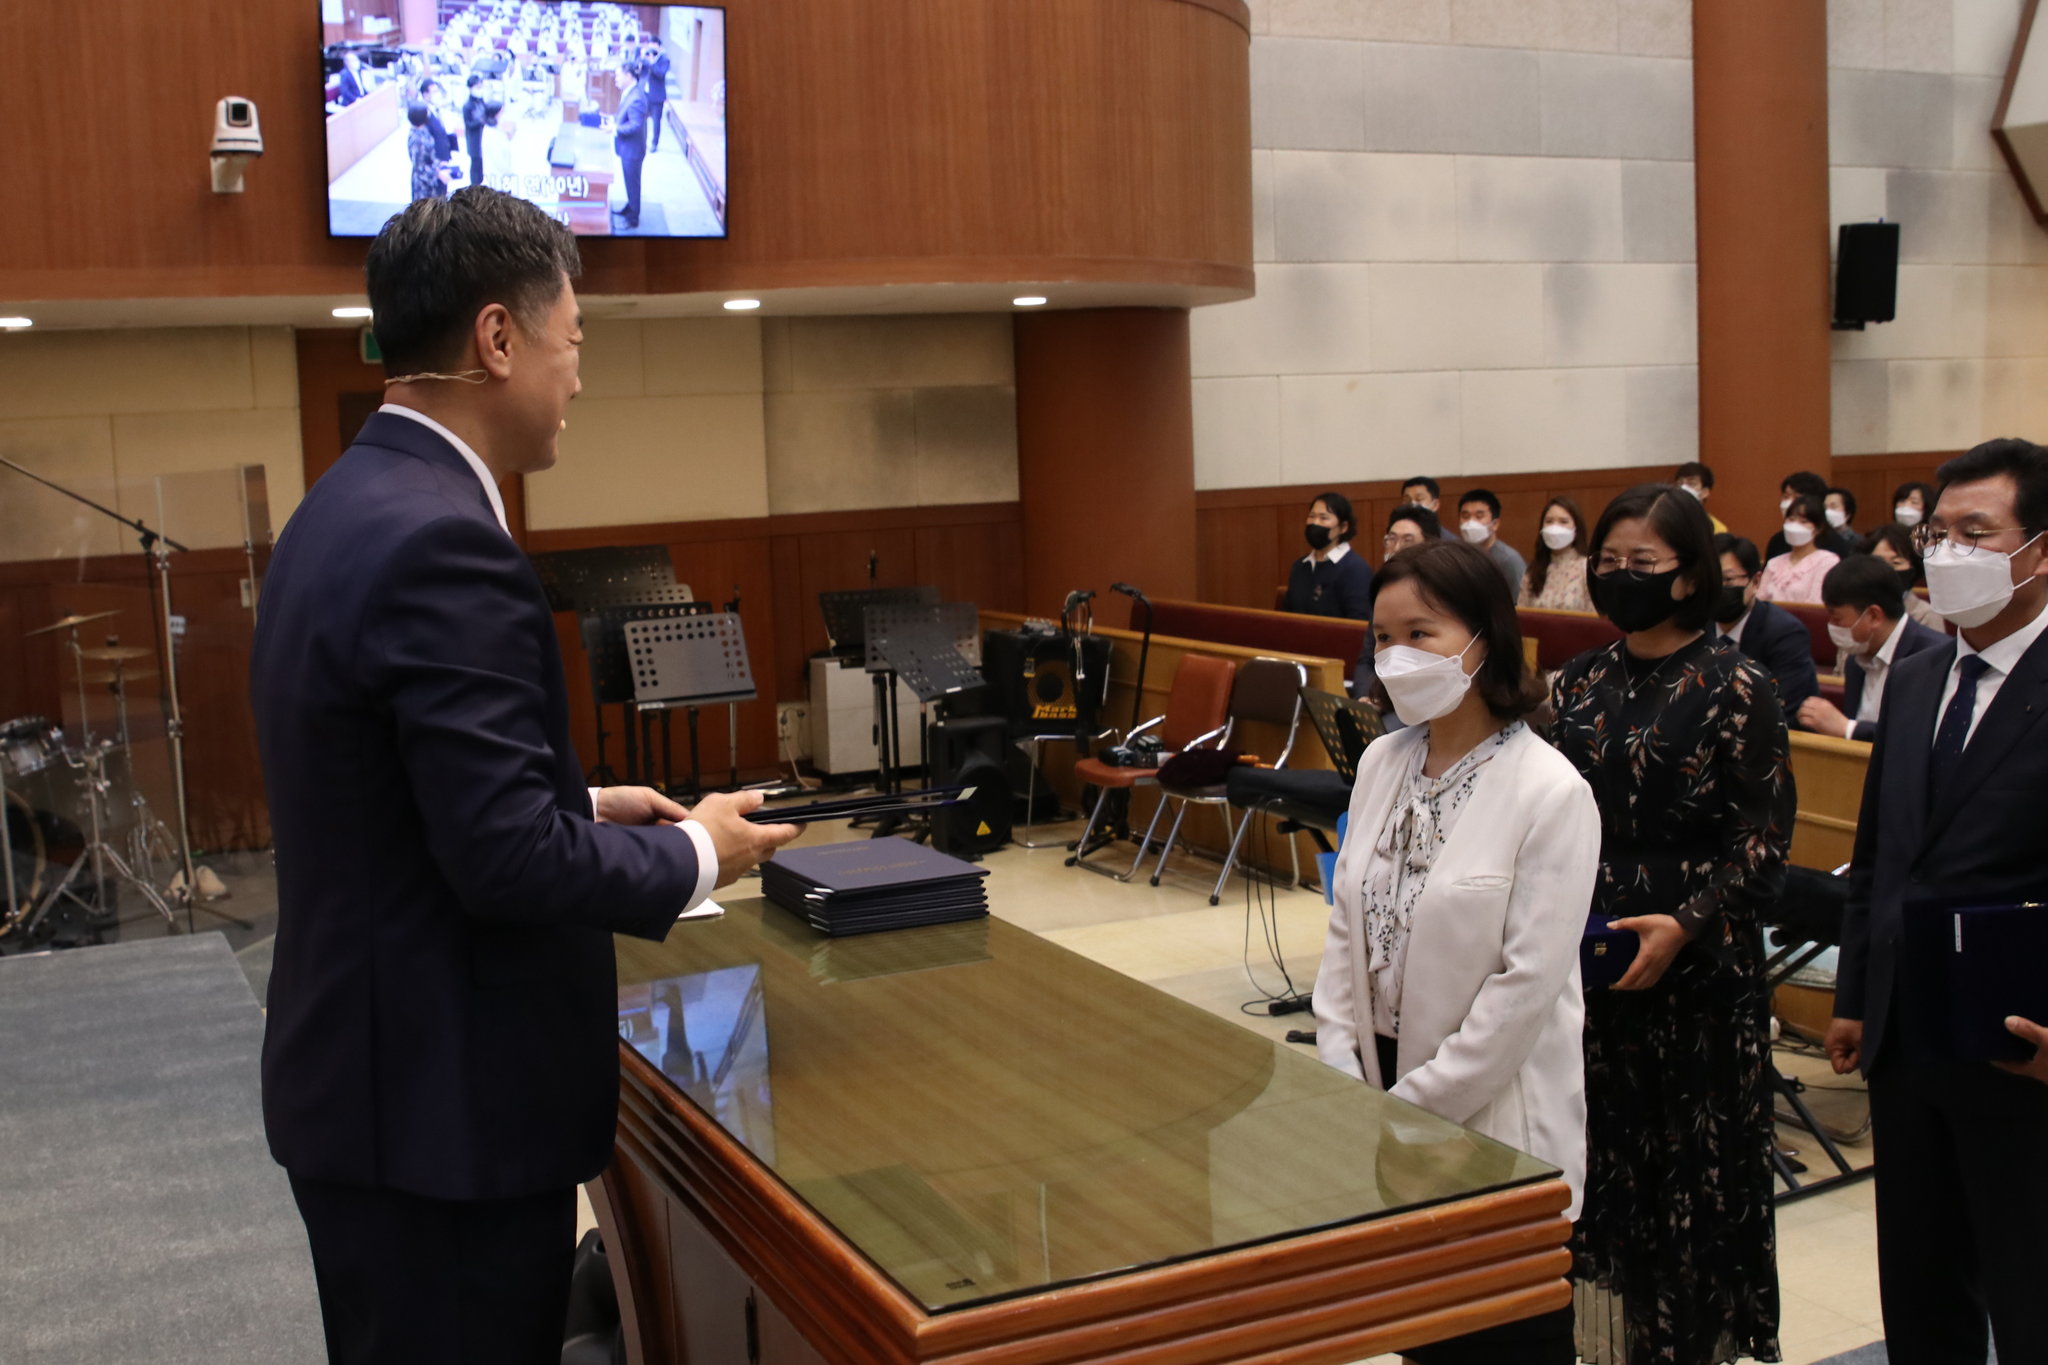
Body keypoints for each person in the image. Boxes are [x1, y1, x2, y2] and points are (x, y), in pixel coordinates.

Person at [249, 188, 802, 1362]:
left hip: (365, 1088)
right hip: (440, 1120)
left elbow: (388, 789)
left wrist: (581, 802)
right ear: (498, 338)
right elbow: (502, 861)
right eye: (573, 341)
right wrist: (700, 849)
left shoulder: (338, 506)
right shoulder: (443, 539)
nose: (578, 378)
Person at [1316, 538, 1597, 1365]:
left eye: (1421, 634)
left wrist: (1416, 1106)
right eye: (1382, 637)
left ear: (1483, 640)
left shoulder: (1550, 789)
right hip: (1382, 1098)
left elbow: (1525, 987)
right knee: (1423, 1337)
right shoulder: (1382, 760)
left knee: (1502, 1342)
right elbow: (1345, 926)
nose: (1396, 656)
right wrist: (1344, 1075)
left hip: (1495, 1119)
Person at [1552, 484, 1792, 1365]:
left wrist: (1685, 924)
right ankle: (1607, 1344)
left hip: (1697, 973)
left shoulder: (1739, 682)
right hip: (1591, 958)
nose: (1620, 575)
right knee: (1606, 1161)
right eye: (1608, 561)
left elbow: (1762, 845)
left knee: (1690, 1175)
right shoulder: (1580, 677)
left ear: (1690, 576)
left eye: (1642, 563)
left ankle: (1688, 1346)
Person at [1827, 437, 2048, 1363]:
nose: (1950, 552)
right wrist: (1853, 995)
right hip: (1905, 1036)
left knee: (2030, 1298)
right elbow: (1881, 854)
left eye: (1977, 533)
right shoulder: (1918, 673)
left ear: (2039, 550)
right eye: (1939, 533)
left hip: (2023, 1049)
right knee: (1922, 1295)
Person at [1795, 554, 1946, 741]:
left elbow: (1919, 736)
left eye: (1837, 618)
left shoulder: (1934, 658)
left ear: (1874, 616)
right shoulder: (1856, 658)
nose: (1832, 625)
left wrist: (1849, 729)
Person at [1714, 534, 1819, 724]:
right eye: (1710, 579)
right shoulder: (1692, 625)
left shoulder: (1786, 634)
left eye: (1728, 579)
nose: (1718, 588)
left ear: (1755, 582)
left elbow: (1780, 710)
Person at [1284, 491, 1373, 620]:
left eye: (1323, 518)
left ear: (1343, 527)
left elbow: (1359, 623)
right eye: (1311, 516)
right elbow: (1287, 616)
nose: (1315, 523)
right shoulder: (1300, 566)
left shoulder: (1356, 570)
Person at [1862, 522, 1949, 634]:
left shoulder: (1925, 615)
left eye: (1896, 562)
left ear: (1913, 567)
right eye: (1878, 562)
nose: (1886, 569)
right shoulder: (1853, 608)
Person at [1756, 494, 1839, 602]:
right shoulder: (1774, 563)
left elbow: (1817, 604)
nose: (1795, 525)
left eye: (1803, 521)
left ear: (1818, 528)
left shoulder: (1827, 561)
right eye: (1791, 519)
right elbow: (1759, 601)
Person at [1518, 496, 1593, 612]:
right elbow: (1522, 614)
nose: (1555, 527)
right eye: (1549, 521)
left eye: (1563, 522)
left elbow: (1595, 617)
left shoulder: (1587, 569)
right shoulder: (1532, 572)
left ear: (1576, 529)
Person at [1454, 489, 1527, 594]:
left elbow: (1518, 600)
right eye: (1465, 516)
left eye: (1479, 516)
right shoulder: (1454, 554)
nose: (1471, 522)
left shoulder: (1509, 560)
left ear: (1495, 524)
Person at [612, 61, 649, 230]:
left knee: (633, 183)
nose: (615, 79)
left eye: (618, 75)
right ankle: (630, 206)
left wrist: (615, 129)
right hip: (628, 148)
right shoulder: (631, 91)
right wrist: (614, 121)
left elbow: (635, 125)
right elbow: (625, 115)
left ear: (628, 76)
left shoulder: (637, 97)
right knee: (630, 182)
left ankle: (633, 218)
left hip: (632, 150)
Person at [1764, 470, 1831, 558]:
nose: (1790, 503)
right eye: (1786, 496)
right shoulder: (1777, 540)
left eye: (1797, 498)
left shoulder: (1832, 543)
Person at [406, 104, 447, 203]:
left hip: (430, 180)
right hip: (423, 186)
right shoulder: (417, 140)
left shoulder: (423, 130)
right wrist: (438, 174)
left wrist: (439, 164)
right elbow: (419, 167)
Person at [1673, 461, 1728, 534]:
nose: (1683, 487)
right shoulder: (1666, 521)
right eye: (1680, 483)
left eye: (1691, 484)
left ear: (1704, 492)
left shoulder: (1717, 528)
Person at [1401, 475, 1459, 540]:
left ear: (1435, 505)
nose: (1412, 504)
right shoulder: (1397, 536)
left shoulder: (1447, 540)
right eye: (1407, 500)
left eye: (1419, 499)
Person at [641, 41, 671, 151]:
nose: (651, 48)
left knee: (656, 121)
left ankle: (654, 143)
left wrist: (652, 62)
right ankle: (642, 141)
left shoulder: (664, 60)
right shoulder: (646, 56)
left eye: (654, 45)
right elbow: (639, 69)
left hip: (657, 96)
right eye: (650, 45)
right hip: (645, 94)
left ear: (659, 46)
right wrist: (642, 57)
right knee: (642, 119)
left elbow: (660, 74)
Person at [462, 74, 488, 187]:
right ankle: (474, 187)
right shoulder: (467, 106)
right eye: (477, 87)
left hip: (484, 137)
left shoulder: (481, 101)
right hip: (474, 139)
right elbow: (468, 124)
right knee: (475, 164)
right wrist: (481, 122)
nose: (479, 89)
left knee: (482, 164)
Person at [1821, 487, 1860, 554]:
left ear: (1847, 514)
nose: (1827, 511)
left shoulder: (1859, 543)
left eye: (1833, 507)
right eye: (1824, 508)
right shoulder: (1817, 541)